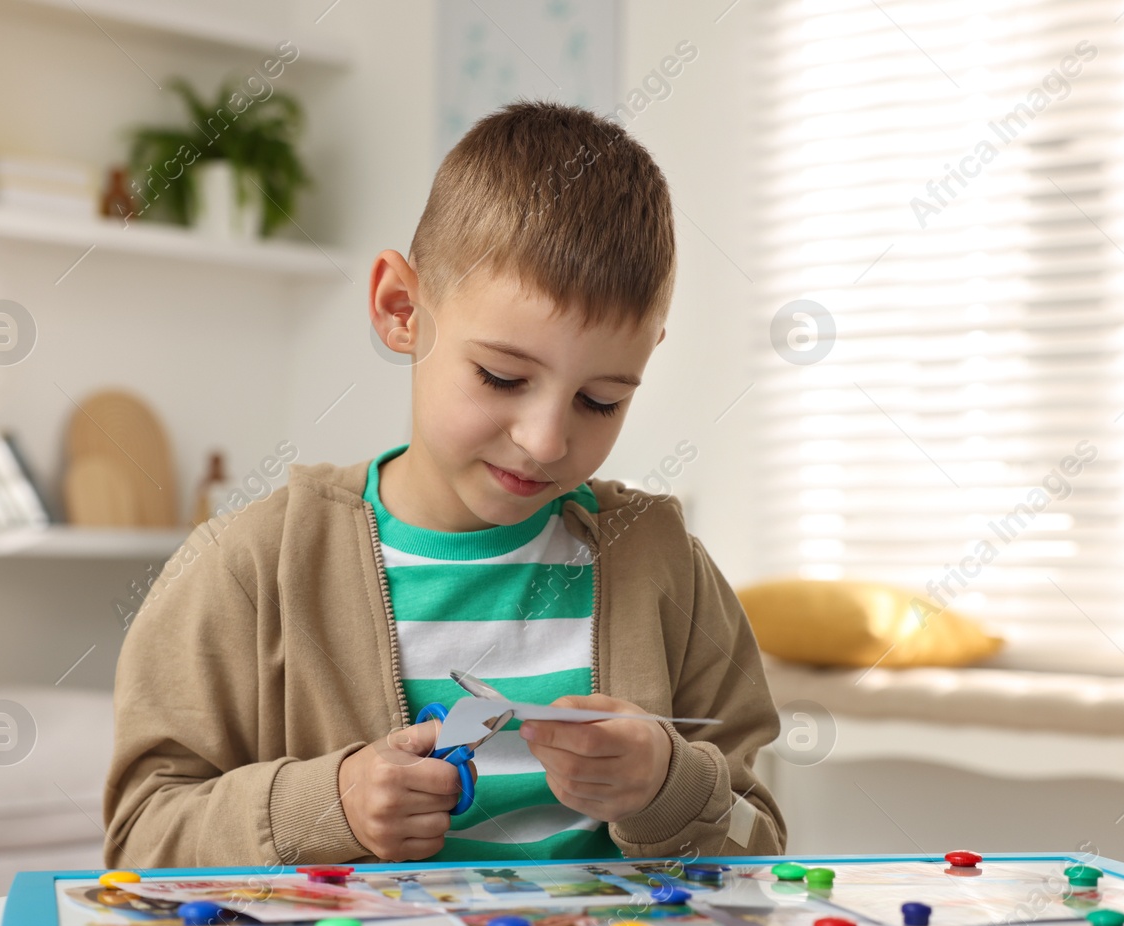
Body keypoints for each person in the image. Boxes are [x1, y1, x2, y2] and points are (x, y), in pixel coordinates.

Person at [103, 101, 785, 868]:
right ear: (402, 311)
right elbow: (140, 841)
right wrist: (330, 806)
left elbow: (759, 844)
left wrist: (667, 784)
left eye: (602, 400)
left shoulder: (665, 568)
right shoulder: (251, 566)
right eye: (501, 376)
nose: (546, 439)